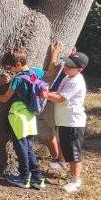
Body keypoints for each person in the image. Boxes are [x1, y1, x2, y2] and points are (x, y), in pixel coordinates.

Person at [0, 47, 47, 190]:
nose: (8, 70)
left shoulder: (17, 79)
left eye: (9, 67)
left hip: (17, 116)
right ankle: (37, 177)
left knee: (21, 147)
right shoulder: (35, 73)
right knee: (28, 147)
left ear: (17, 64)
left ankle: (24, 177)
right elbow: (50, 73)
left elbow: (5, 99)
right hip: (30, 115)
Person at [46, 51, 89, 193]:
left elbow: (60, 98)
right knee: (66, 149)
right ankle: (68, 173)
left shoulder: (76, 81)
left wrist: (43, 94)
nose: (66, 68)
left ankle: (76, 180)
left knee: (73, 153)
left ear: (80, 69)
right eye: (66, 64)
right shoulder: (69, 77)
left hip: (73, 122)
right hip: (65, 121)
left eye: (70, 66)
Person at [37, 42, 67, 172]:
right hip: (39, 102)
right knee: (45, 133)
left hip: (52, 102)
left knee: (57, 133)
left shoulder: (67, 67)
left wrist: (55, 55)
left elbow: (51, 72)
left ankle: (62, 161)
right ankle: (56, 158)